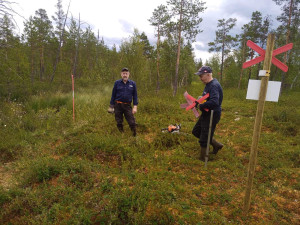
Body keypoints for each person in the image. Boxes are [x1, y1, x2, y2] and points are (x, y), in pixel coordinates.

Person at [192, 66, 223, 161]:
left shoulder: (214, 85)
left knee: (204, 136)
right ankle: (217, 145)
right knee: (196, 131)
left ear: (208, 74)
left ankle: (203, 159)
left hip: (212, 114)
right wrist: (199, 101)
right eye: (200, 76)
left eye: (202, 76)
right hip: (206, 113)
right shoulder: (208, 84)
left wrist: (201, 106)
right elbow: (207, 97)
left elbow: (214, 102)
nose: (200, 78)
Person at [109, 67, 138, 136]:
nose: (125, 75)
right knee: (119, 121)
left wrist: (135, 106)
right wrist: (111, 106)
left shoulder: (133, 84)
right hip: (117, 105)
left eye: (126, 73)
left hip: (127, 106)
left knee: (131, 121)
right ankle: (121, 134)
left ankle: (134, 135)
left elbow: (135, 96)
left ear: (129, 74)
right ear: (121, 74)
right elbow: (113, 95)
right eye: (123, 73)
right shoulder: (117, 83)